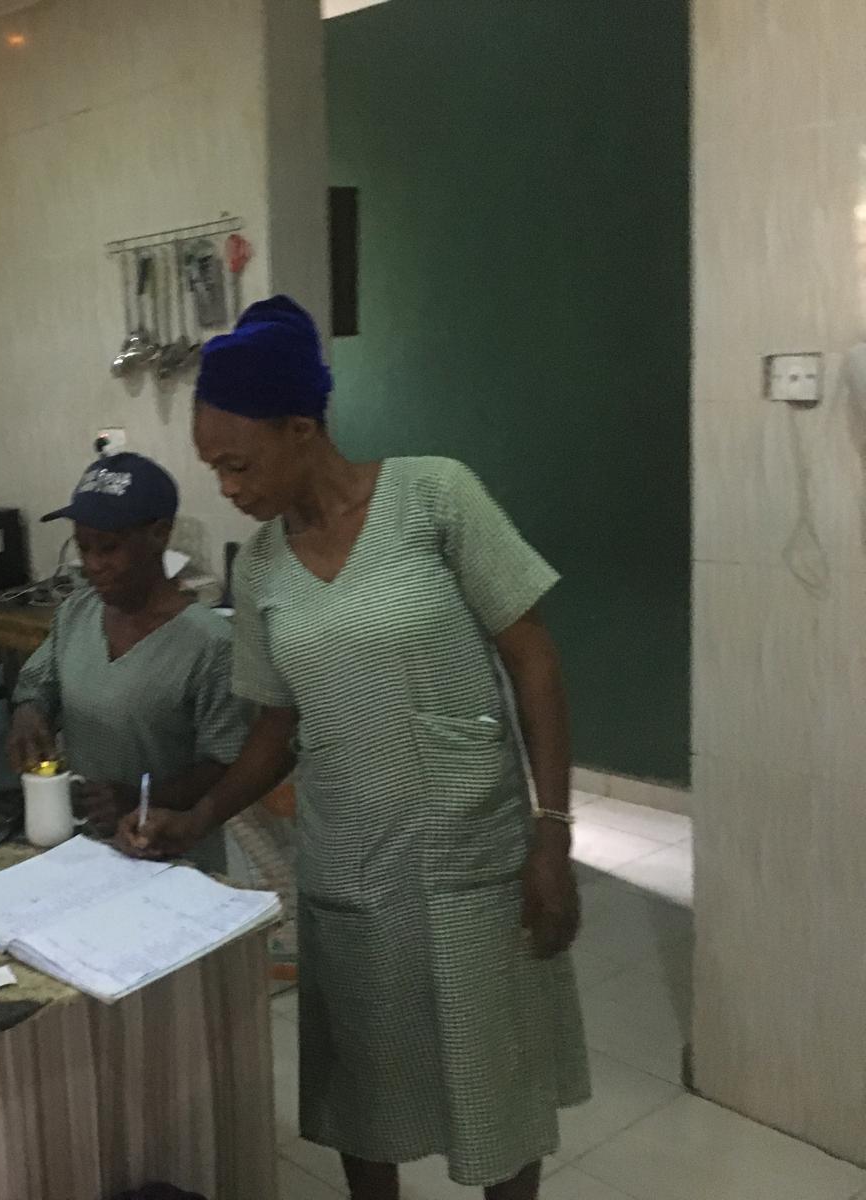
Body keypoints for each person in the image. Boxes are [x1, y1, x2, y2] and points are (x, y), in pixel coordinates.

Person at [120, 297, 589, 1200]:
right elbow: (274, 728)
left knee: (495, 1089)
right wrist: (200, 815)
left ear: (302, 428)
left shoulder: (434, 497)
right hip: (350, 871)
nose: (228, 487)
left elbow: (534, 661)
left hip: (471, 861)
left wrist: (553, 834)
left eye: (238, 463)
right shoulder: (260, 566)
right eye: (214, 468)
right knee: (363, 1094)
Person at [7, 453, 249, 874]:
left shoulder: (211, 645)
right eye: (84, 547)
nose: (95, 565)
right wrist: (29, 711)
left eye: (110, 548)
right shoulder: (77, 612)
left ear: (159, 534)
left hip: (167, 852)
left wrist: (143, 797)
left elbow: (225, 764)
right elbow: (38, 684)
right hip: (86, 848)